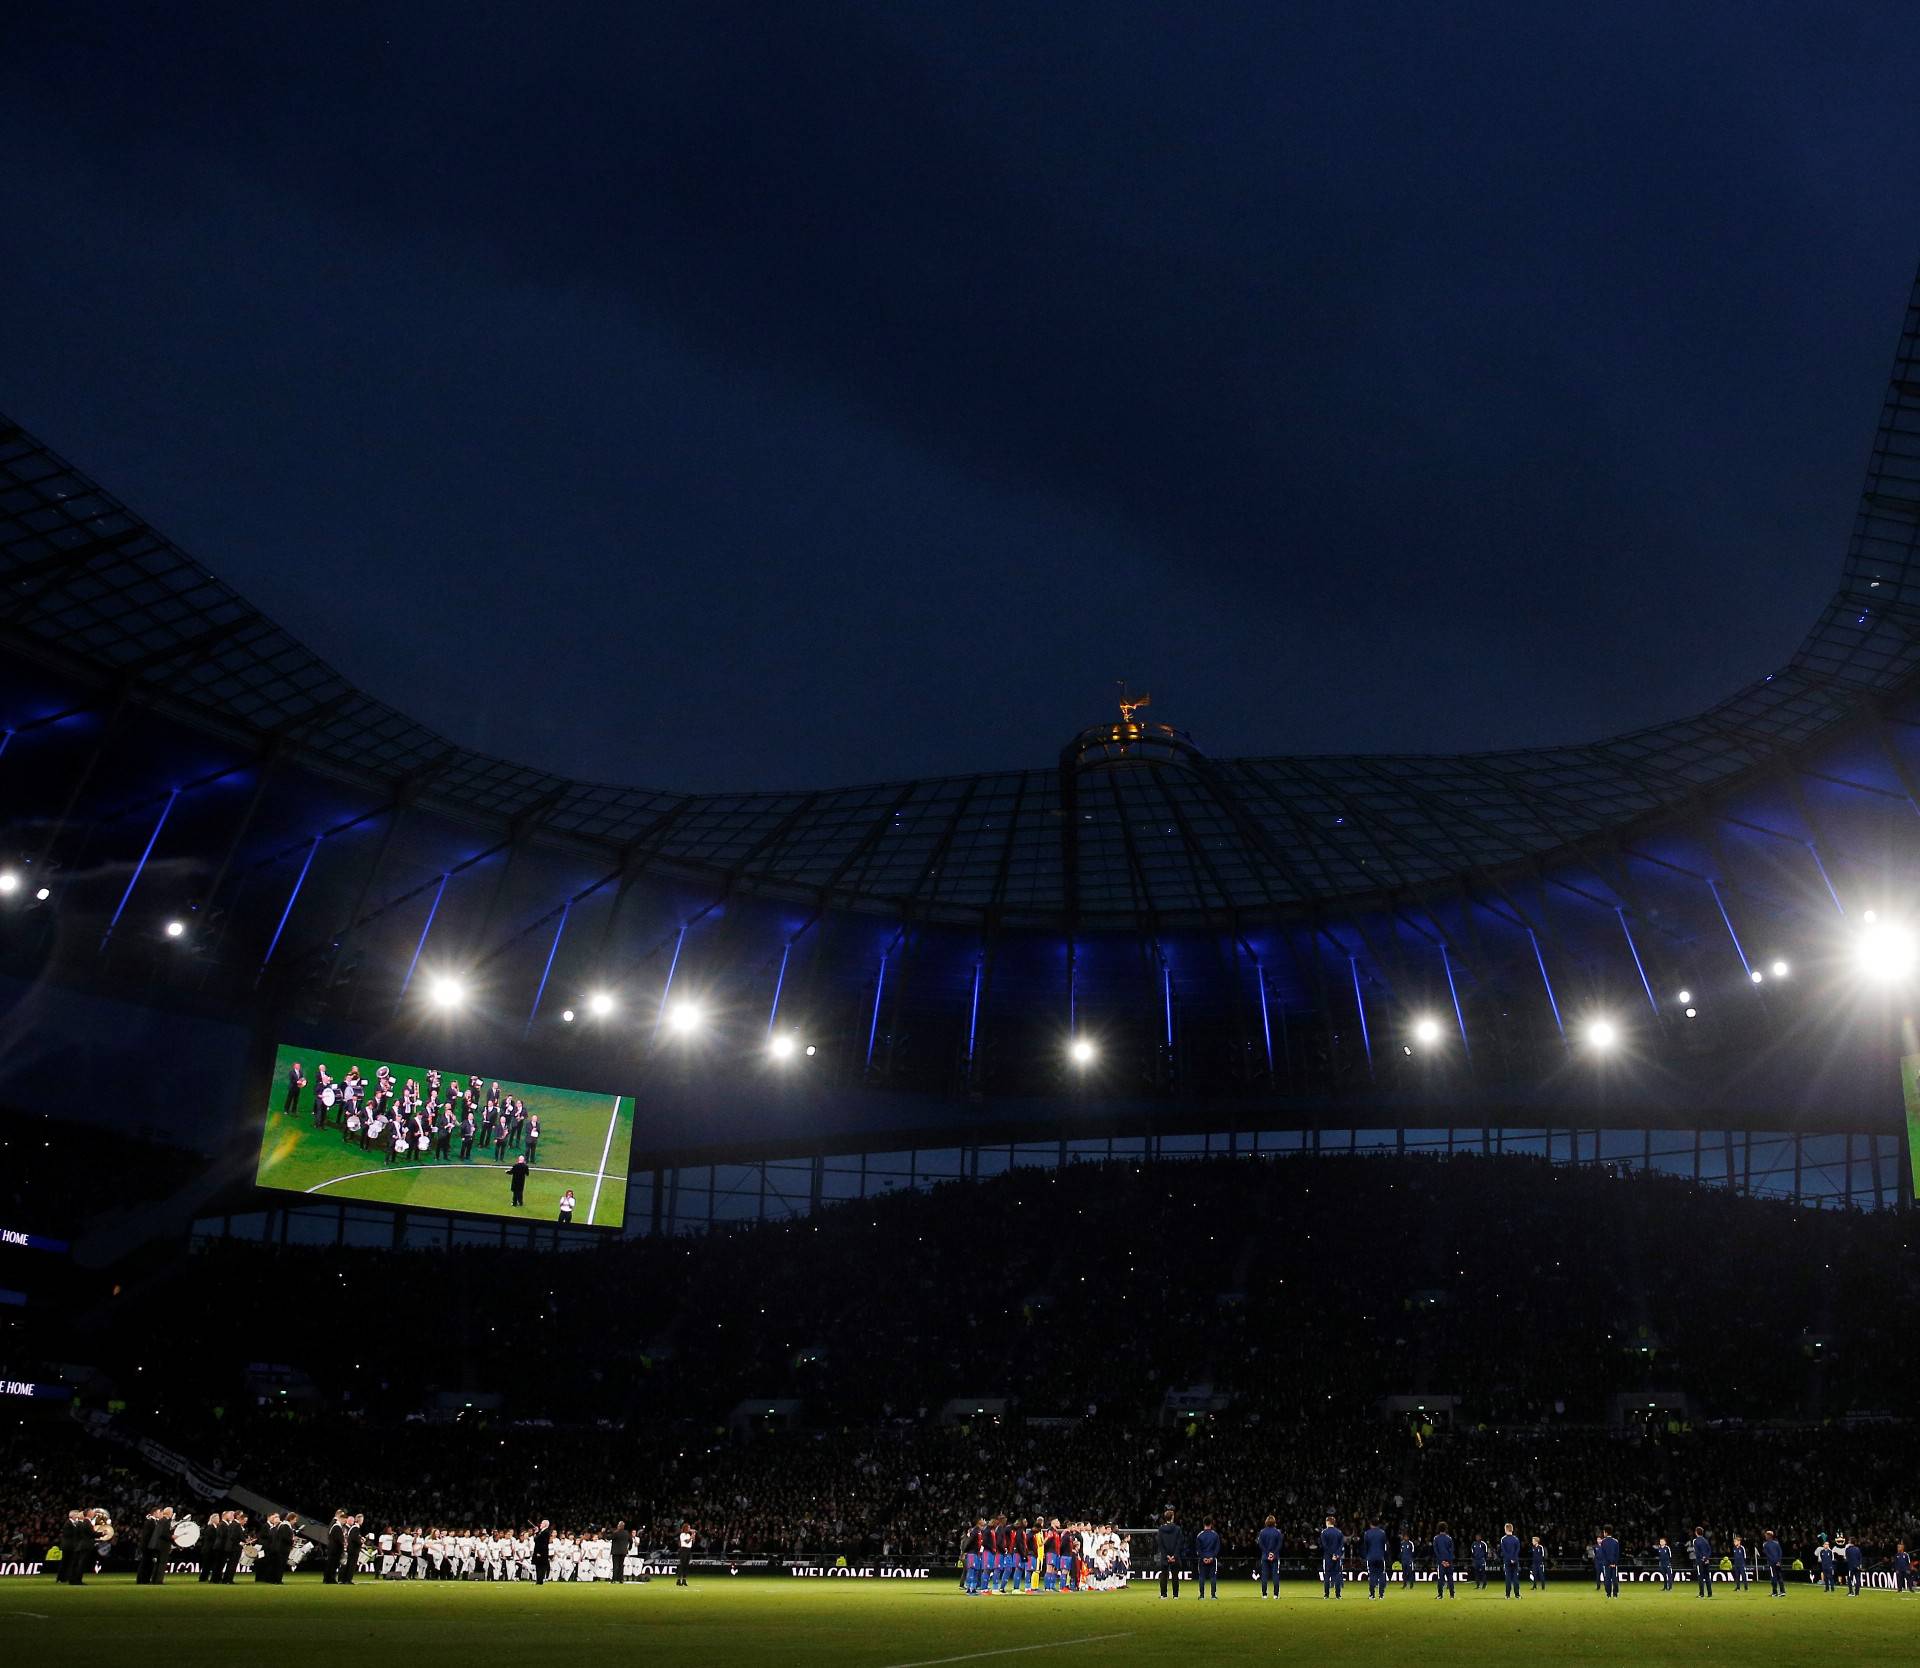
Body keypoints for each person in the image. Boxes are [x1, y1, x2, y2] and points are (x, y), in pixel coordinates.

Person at [1156, 1509, 1184, 1599]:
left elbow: (1160, 1544)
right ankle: (1175, 1595)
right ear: (1172, 1517)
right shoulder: (1177, 1529)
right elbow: (1179, 1543)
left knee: (1164, 1576)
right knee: (1175, 1576)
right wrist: (1174, 1556)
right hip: (1174, 1556)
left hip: (1165, 1557)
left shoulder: (1161, 1529)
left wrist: (1166, 1555)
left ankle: (1163, 1595)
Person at [1319, 1515, 1344, 1598]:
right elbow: (1341, 1546)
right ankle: (1338, 1595)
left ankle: (1326, 1595)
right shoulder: (1339, 1532)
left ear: (1327, 1522)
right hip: (1337, 1558)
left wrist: (1332, 1554)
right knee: (1337, 1575)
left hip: (1328, 1558)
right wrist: (1336, 1554)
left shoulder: (1324, 1532)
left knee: (1327, 1576)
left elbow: (1325, 1546)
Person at [1193, 1518, 1219, 1599]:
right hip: (1212, 1558)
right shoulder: (1215, 1535)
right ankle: (1213, 1596)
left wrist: (1203, 1558)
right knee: (1213, 1576)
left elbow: (1198, 1549)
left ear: (1203, 1524)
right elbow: (1217, 1548)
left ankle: (1201, 1596)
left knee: (1201, 1576)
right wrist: (1212, 1557)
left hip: (1202, 1559)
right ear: (1211, 1523)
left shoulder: (1200, 1535)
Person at [1362, 1518, 1388, 1600]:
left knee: (1372, 1575)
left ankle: (1372, 1595)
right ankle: (1381, 1595)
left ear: (1370, 1524)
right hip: (1380, 1557)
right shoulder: (1382, 1533)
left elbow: (1365, 1546)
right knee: (1381, 1575)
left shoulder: (1367, 1533)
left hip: (1371, 1557)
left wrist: (1366, 1555)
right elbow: (1385, 1545)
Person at [1256, 1515, 1282, 1596]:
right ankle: (1276, 1595)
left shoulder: (1262, 1532)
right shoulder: (1277, 1532)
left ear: (1266, 1522)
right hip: (1275, 1557)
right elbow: (1279, 1545)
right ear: (1274, 1522)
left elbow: (1260, 1544)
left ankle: (1264, 1595)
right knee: (1275, 1575)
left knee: (1264, 1576)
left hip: (1264, 1557)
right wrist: (1273, 1553)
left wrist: (1267, 1553)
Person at [1432, 1522, 1456, 1599]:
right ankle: (1452, 1595)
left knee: (1440, 1579)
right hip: (1449, 1562)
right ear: (1446, 1529)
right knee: (1450, 1578)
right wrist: (1448, 1561)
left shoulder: (1436, 1538)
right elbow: (1451, 1550)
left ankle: (1440, 1595)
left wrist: (1442, 1561)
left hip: (1441, 1562)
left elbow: (1436, 1551)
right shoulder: (1449, 1538)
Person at [1500, 1523, 1522, 1599]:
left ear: (1506, 1529)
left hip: (1507, 1561)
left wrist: (1509, 1559)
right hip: (1515, 1561)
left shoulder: (1503, 1539)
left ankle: (1507, 1595)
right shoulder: (1516, 1539)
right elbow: (1518, 1549)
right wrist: (1513, 1558)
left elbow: (1504, 1551)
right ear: (1512, 1529)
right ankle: (1517, 1595)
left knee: (1508, 1578)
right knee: (1515, 1578)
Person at [1599, 1526, 1621, 1599]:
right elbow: (1617, 1554)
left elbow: (1603, 1554)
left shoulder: (1603, 1542)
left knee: (1607, 1579)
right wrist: (1614, 1563)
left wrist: (1608, 1563)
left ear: (1606, 1532)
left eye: (1604, 1532)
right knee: (1615, 1579)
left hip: (1606, 1564)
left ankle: (1608, 1594)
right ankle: (1615, 1594)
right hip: (1614, 1564)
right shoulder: (1616, 1541)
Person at [1762, 1529, 1785, 1598]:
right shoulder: (1777, 1543)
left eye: (1766, 1535)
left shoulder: (1765, 1544)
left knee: (1773, 1577)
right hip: (1778, 1562)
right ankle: (1782, 1592)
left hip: (1772, 1563)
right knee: (1779, 1576)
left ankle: (1775, 1592)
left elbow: (1767, 1554)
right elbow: (1780, 1553)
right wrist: (1779, 1561)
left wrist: (1773, 1561)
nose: (1765, 1536)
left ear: (1769, 1536)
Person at [1690, 1527, 1713, 1598]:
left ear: (1696, 1532)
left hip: (1700, 1561)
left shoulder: (1695, 1540)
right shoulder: (1705, 1540)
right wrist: (1706, 1558)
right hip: (1707, 1561)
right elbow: (1709, 1550)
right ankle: (1709, 1593)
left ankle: (1701, 1594)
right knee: (1707, 1577)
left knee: (1700, 1577)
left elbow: (1697, 1551)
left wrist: (1702, 1558)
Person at [343, 1514, 364, 1585]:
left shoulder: (353, 1527)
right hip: (353, 1550)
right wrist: (361, 1542)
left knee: (349, 1564)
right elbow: (355, 1538)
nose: (362, 1521)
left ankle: (346, 1579)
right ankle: (348, 1580)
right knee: (352, 1565)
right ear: (359, 1520)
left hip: (351, 1549)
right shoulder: (355, 1528)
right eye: (362, 1520)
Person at [533, 1519, 552, 1584]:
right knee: (539, 1566)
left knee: (541, 1566)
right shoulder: (542, 1531)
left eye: (542, 1523)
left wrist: (539, 1552)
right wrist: (537, 1531)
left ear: (545, 1525)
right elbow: (536, 1539)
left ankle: (540, 1580)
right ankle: (539, 1580)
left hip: (541, 1552)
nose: (540, 1524)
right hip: (541, 1552)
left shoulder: (546, 1532)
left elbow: (541, 1542)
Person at [676, 1520, 694, 1586]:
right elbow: (687, 1542)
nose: (689, 1529)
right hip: (683, 1550)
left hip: (689, 1550)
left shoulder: (689, 1535)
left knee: (686, 1566)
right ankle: (678, 1580)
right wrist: (691, 1537)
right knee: (682, 1566)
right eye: (688, 1527)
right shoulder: (682, 1534)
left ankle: (684, 1580)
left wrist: (693, 1534)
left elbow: (693, 1541)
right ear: (685, 1528)